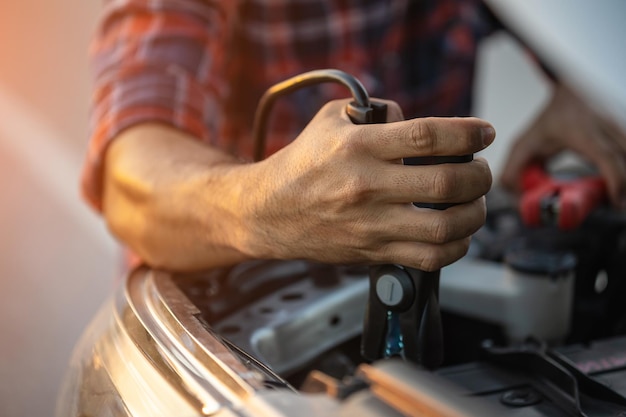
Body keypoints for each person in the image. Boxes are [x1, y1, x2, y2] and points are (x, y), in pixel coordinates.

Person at [82, 0, 626, 273]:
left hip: (443, 280)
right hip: (237, 347)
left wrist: (588, 86)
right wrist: (265, 207)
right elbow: (132, 174)